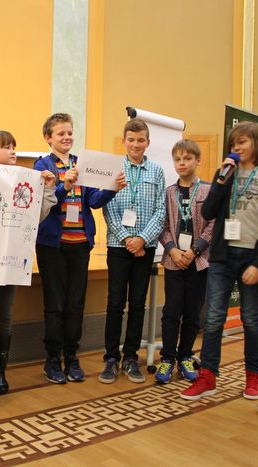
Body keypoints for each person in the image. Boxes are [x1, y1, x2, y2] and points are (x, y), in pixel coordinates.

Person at [181, 121, 258, 401]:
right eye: (233, 143)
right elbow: (209, 212)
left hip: (252, 257)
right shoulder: (224, 174)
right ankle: (207, 376)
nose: (236, 147)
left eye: (242, 142)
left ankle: (254, 375)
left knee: (251, 319)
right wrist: (220, 182)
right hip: (223, 256)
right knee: (214, 317)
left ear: (256, 143)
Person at [34, 113, 127, 384]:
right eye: (60, 133)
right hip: (52, 246)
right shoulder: (42, 165)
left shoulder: (82, 163)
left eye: (70, 133)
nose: (67, 137)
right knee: (55, 305)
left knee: (75, 305)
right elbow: (44, 201)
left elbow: (94, 201)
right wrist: (64, 186)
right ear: (48, 137)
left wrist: (112, 188)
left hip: (80, 245)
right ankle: (52, 360)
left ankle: (72, 358)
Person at [0, 130, 57, 394]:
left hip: (11, 258)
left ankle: (0, 370)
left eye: (14, 146)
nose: (13, 151)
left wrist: (48, 188)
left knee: (4, 314)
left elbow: (36, 216)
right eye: (5, 147)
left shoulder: (24, 180)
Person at [98, 118, 166, 384]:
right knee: (115, 303)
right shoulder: (114, 169)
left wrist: (142, 239)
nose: (136, 144)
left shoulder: (157, 171)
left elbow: (161, 211)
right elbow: (107, 207)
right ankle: (111, 358)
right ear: (124, 141)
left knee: (137, 304)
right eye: (131, 140)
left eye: (140, 140)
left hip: (145, 248)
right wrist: (127, 238)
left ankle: (130, 358)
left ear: (147, 142)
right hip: (118, 245)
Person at [155, 139, 213, 384]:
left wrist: (195, 250)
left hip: (198, 262)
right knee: (171, 311)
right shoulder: (169, 192)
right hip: (174, 261)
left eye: (187, 158)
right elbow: (163, 224)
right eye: (177, 159)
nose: (182, 163)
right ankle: (168, 358)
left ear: (197, 160)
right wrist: (173, 250)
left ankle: (185, 356)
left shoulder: (208, 190)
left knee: (192, 313)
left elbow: (213, 224)